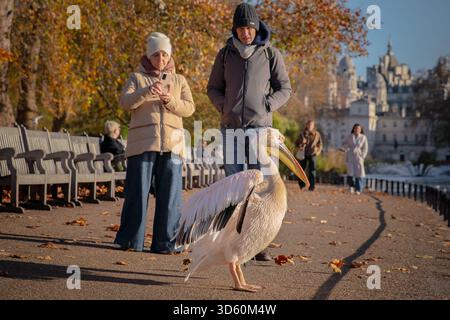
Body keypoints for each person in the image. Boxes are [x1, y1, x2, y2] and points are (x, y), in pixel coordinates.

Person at [207, 3, 292, 261]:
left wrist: (267, 105)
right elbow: (213, 88)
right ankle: (230, 241)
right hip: (231, 128)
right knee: (232, 187)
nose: (246, 34)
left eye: (250, 28)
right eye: (241, 28)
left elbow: (285, 89)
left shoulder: (270, 54)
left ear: (256, 28)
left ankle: (259, 244)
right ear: (235, 29)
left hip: (261, 131)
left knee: (262, 187)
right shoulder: (224, 55)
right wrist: (224, 107)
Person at [114, 32, 195, 254]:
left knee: (171, 197)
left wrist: (169, 100)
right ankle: (131, 241)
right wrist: (147, 91)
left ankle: (166, 243)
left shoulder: (179, 80)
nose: (161, 59)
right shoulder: (136, 78)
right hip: (143, 144)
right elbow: (125, 102)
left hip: (173, 145)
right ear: (149, 56)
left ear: (170, 56)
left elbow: (189, 108)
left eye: (165, 54)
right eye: (156, 54)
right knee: (136, 194)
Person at [295, 120, 322, 191]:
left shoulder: (317, 134)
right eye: (309, 124)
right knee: (301, 170)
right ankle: (302, 186)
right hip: (303, 154)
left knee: (312, 171)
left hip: (313, 154)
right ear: (306, 125)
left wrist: (317, 151)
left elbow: (320, 144)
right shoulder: (302, 133)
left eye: (311, 125)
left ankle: (312, 186)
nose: (310, 126)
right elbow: (296, 143)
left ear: (313, 126)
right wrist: (301, 143)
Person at [342, 123, 368, 195]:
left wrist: (362, 156)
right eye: (356, 128)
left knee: (359, 174)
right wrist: (344, 149)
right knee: (350, 173)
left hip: (358, 156)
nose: (357, 130)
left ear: (360, 130)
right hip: (350, 155)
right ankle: (351, 187)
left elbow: (365, 148)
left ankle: (358, 189)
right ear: (353, 129)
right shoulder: (349, 137)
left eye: (358, 129)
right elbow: (345, 144)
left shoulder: (363, 137)